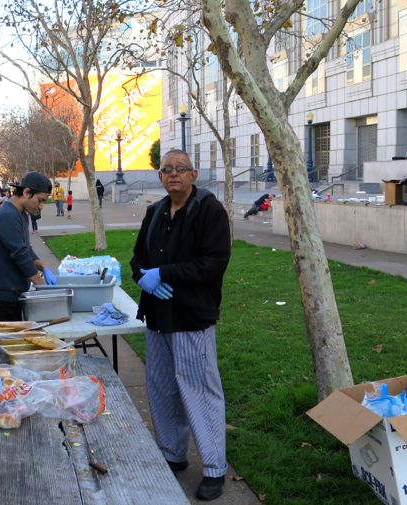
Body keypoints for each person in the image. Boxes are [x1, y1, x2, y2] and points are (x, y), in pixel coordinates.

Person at [130, 149, 231, 501]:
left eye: (180, 169)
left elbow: (214, 263)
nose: (173, 174)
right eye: (167, 169)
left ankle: (214, 468)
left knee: (199, 391)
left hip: (191, 318)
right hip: (158, 318)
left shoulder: (208, 210)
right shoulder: (155, 212)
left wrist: (166, 273)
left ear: (194, 174)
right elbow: (137, 258)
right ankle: (173, 454)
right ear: (160, 177)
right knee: (161, 389)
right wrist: (142, 276)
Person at [0, 172, 58, 321]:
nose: (41, 206)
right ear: (26, 192)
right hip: (3, 300)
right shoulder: (7, 215)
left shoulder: (21, 214)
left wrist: (44, 268)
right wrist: (43, 288)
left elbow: (27, 249)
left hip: (14, 295)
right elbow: (21, 256)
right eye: (40, 200)